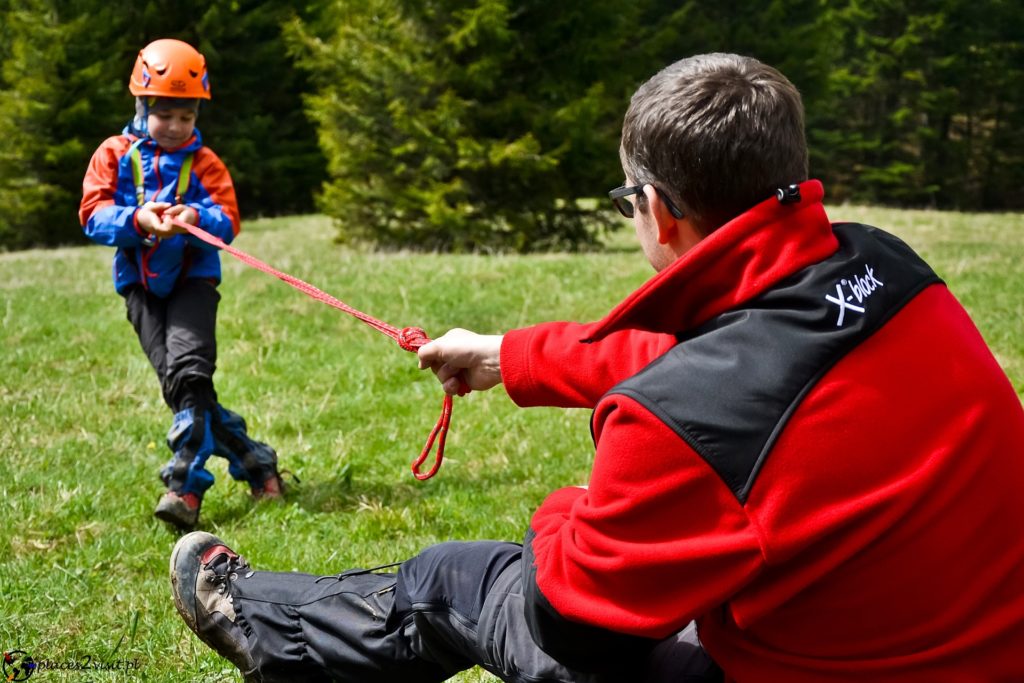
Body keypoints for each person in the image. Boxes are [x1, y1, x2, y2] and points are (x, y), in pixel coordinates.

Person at [168, 52, 1024, 682]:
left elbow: (577, 625)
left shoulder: (685, 421)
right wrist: (509, 356)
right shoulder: (888, 270)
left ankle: (261, 627)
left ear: (656, 208)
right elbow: (723, 365)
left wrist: (567, 515)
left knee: (459, 578)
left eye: (627, 200)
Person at [80, 38, 284, 530]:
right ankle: (259, 465)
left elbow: (227, 218)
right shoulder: (113, 154)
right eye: (163, 115)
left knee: (191, 374)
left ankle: (183, 489)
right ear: (141, 106)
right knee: (184, 390)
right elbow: (93, 214)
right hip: (141, 288)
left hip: (193, 283)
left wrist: (195, 215)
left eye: (185, 118)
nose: (174, 127)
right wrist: (140, 220)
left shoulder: (207, 163)